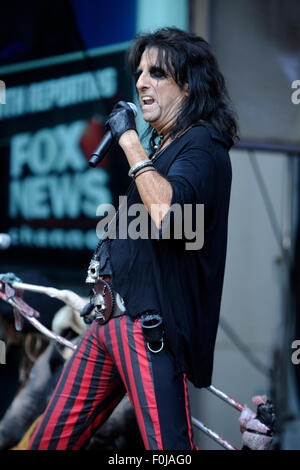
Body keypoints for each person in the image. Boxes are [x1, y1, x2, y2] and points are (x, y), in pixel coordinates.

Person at [28, 27, 238, 450]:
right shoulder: (161, 150)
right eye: (139, 72)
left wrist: (126, 138)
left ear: (189, 85)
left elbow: (168, 215)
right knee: (46, 442)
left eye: (157, 73)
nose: (141, 81)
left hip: (148, 328)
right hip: (108, 322)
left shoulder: (203, 146)